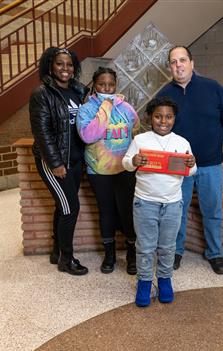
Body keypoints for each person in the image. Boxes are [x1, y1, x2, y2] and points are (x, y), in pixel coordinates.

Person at [157, 46, 223, 274]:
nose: (178, 65)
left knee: (212, 209)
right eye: (173, 62)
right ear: (170, 67)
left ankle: (215, 252)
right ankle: (176, 251)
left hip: (210, 163)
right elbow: (158, 127)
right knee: (176, 211)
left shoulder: (213, 88)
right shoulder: (164, 95)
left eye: (182, 60)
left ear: (192, 62)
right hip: (178, 164)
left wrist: (212, 141)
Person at [122, 97, 197, 307]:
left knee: (167, 246)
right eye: (158, 116)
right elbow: (125, 163)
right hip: (145, 203)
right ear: (150, 118)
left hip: (173, 204)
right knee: (145, 247)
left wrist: (192, 163)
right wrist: (133, 161)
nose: (163, 121)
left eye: (168, 117)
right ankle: (144, 282)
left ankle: (165, 280)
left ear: (174, 119)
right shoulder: (140, 140)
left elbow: (191, 171)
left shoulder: (182, 143)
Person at [29, 47, 89, 275]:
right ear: (50, 67)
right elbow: (42, 132)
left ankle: (57, 251)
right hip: (55, 162)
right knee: (70, 208)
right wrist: (55, 163)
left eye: (70, 64)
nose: (65, 69)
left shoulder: (78, 91)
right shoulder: (42, 94)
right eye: (60, 64)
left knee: (63, 206)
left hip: (75, 161)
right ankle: (67, 259)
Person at [76, 67, 139, 275]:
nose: (106, 88)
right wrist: (105, 106)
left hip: (124, 169)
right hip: (99, 170)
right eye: (102, 84)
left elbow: (135, 129)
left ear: (116, 85)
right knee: (107, 212)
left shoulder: (127, 108)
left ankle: (131, 254)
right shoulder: (86, 109)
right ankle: (109, 254)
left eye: (110, 85)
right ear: (94, 85)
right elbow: (88, 136)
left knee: (128, 211)